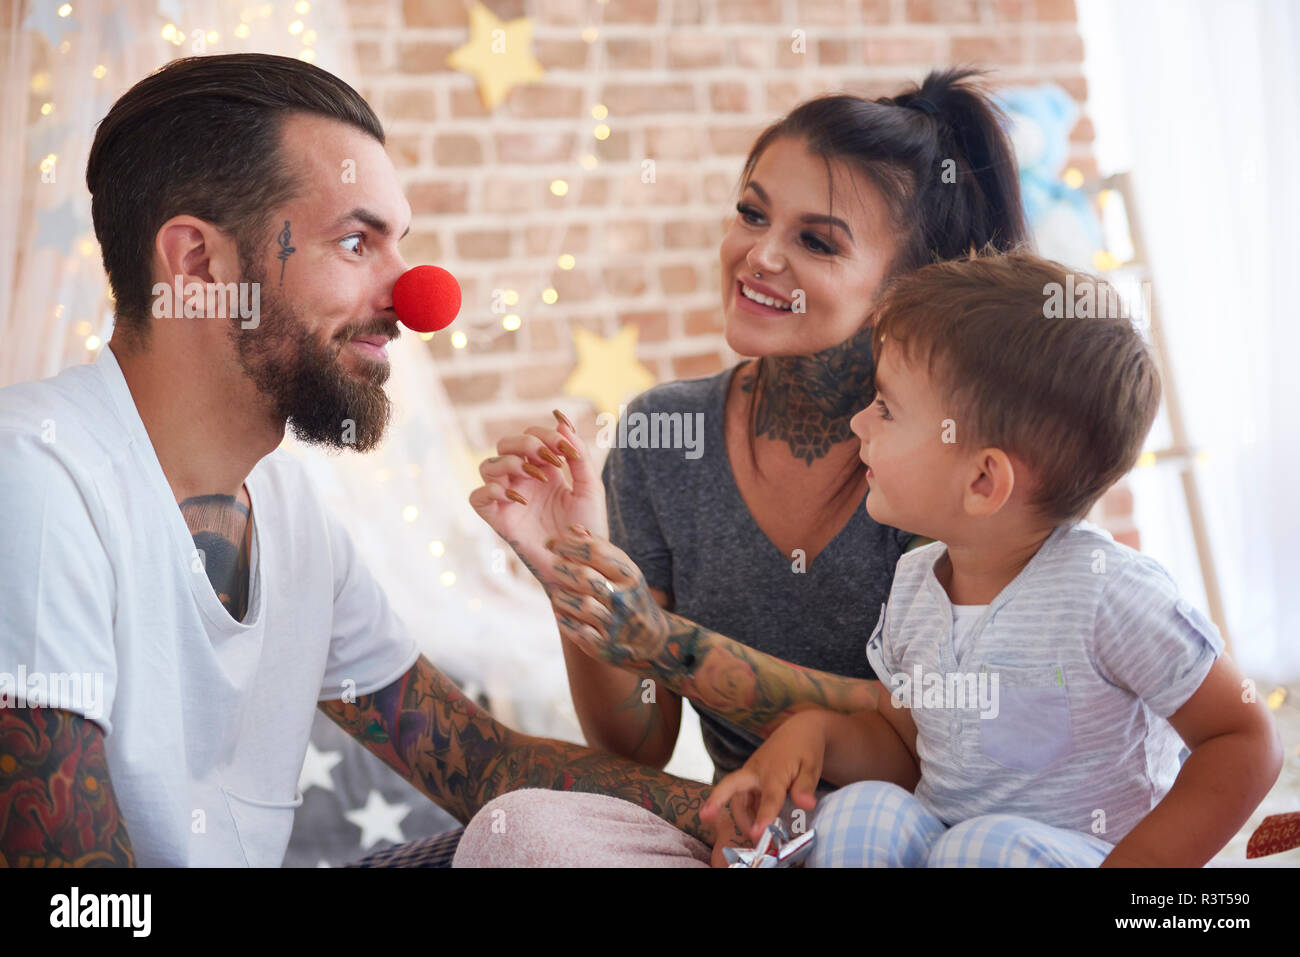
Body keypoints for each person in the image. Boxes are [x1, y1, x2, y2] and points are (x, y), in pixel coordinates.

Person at [0, 53, 744, 868]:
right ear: (199, 265)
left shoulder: (287, 505)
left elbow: (484, 763)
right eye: (357, 242)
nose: (419, 296)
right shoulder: (36, 475)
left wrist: (747, 809)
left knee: (547, 838)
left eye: (402, 245)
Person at [459, 69, 1029, 864]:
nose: (759, 255)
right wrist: (576, 576)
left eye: (816, 241)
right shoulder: (664, 435)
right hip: (750, 838)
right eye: (752, 213)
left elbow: (929, 723)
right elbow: (642, 740)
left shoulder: (949, 458)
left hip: (925, 833)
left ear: (910, 287)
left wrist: (669, 640)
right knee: (517, 829)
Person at [695, 252, 1284, 866]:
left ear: (983, 481)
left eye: (886, 408)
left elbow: (1243, 735)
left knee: (983, 849)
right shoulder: (916, 584)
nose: (858, 422)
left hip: (1084, 853)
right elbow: (907, 746)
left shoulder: (1110, 594)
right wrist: (808, 735)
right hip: (952, 843)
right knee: (859, 814)